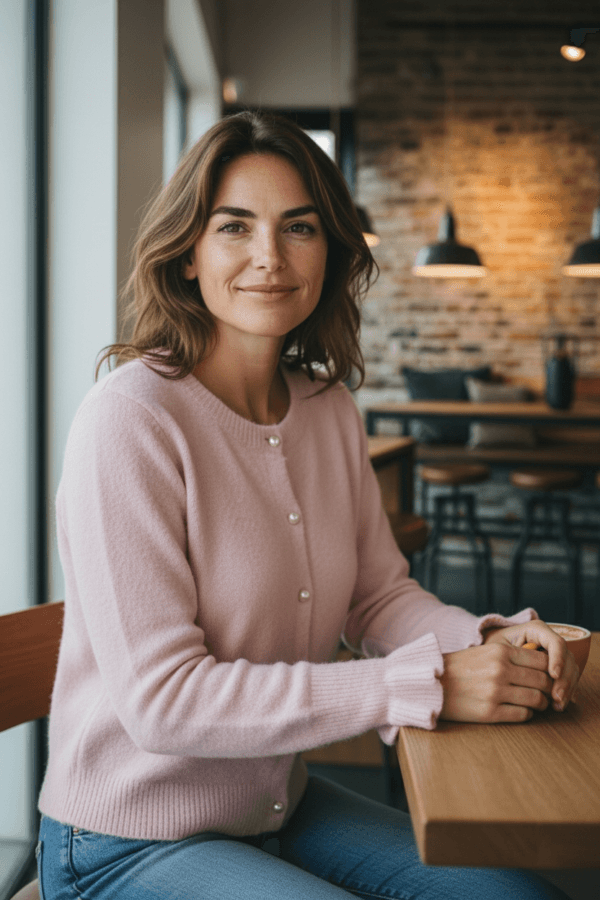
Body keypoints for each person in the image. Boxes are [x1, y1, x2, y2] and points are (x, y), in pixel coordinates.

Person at [37, 111, 577, 900]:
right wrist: (415, 684)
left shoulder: (327, 409)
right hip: (127, 838)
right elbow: (163, 703)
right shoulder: (131, 420)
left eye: (300, 227)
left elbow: (377, 597)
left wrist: (489, 644)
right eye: (234, 227)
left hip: (271, 804)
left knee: (514, 896)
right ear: (188, 253)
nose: (270, 258)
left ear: (331, 249)